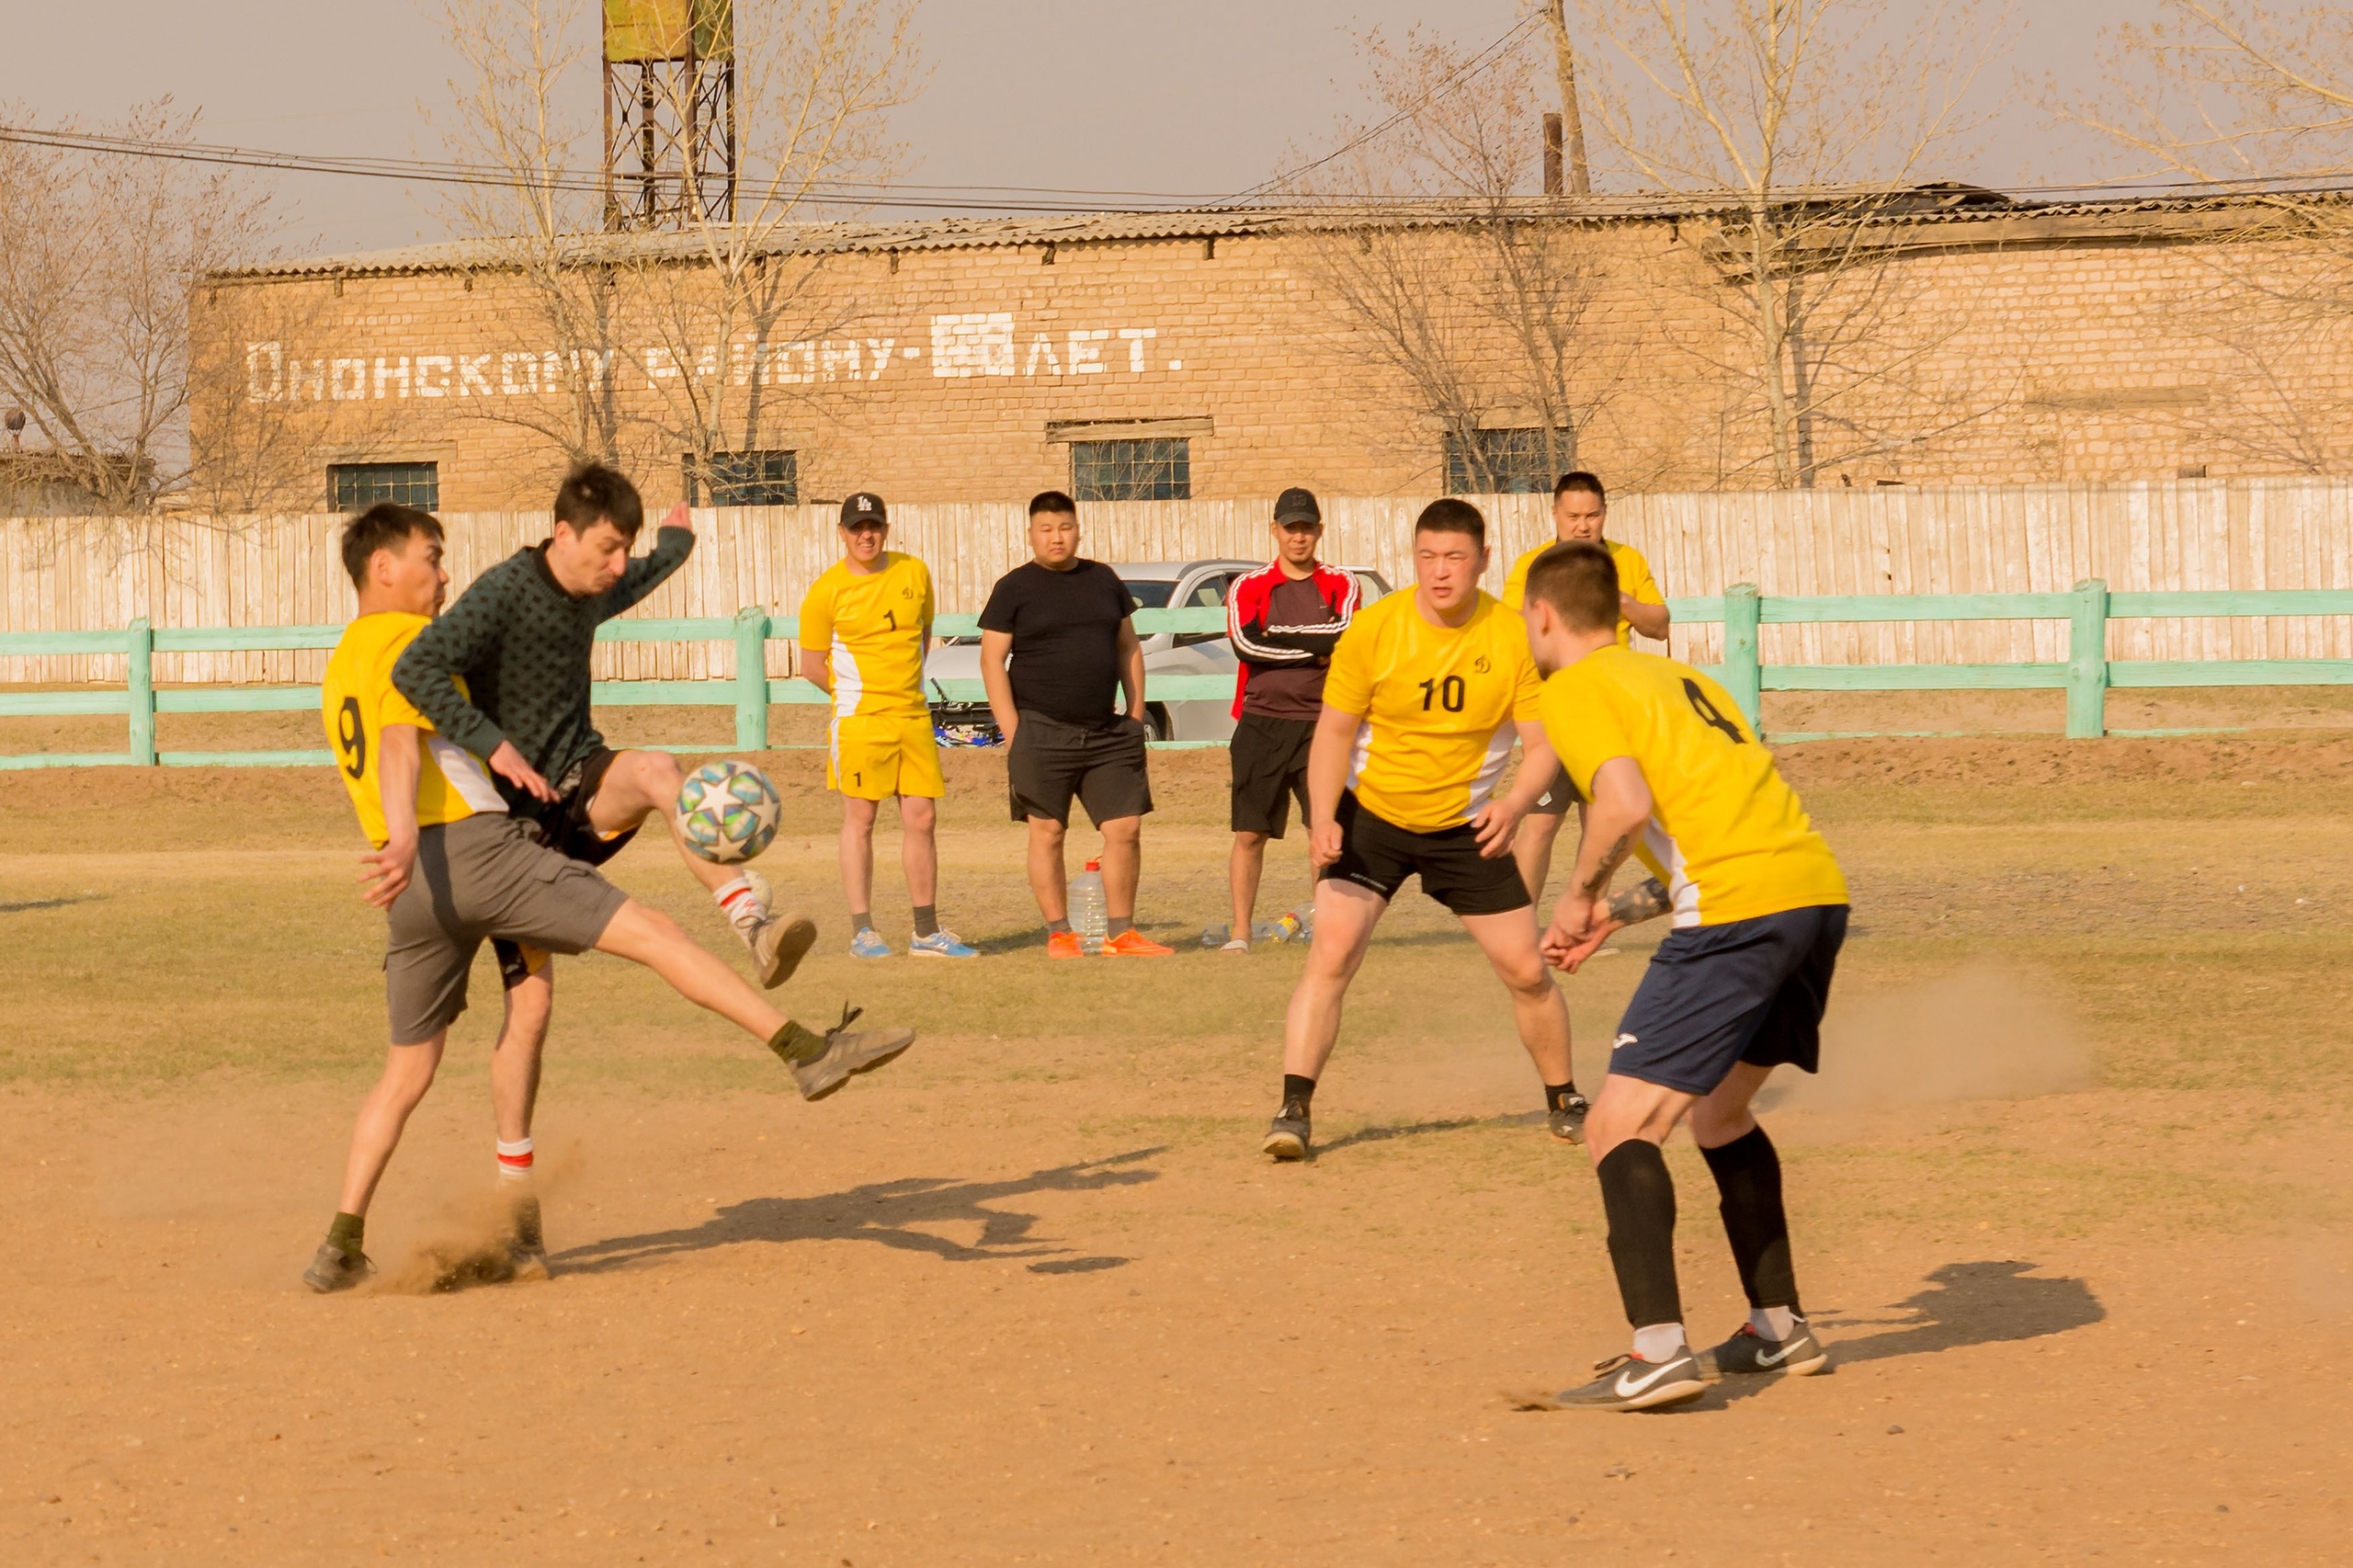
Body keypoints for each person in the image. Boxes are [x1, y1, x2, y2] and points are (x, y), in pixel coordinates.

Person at [305, 504, 915, 1294]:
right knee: (655, 932)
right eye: (432, 556)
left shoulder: (338, 661)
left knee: (416, 1069)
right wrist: (401, 827)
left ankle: (343, 1243)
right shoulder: (400, 640)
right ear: (382, 567)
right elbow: (399, 735)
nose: (444, 573)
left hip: (417, 890)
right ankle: (804, 1050)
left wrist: (396, 842)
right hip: (477, 851)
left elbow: (396, 734)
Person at [1518, 540, 1849, 1411]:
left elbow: (1623, 810)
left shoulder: (1577, 689)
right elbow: (1704, 833)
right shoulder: (1681, 681)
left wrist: (1574, 896)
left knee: (1617, 1126)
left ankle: (1658, 1351)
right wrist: (1613, 914)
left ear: (1543, 615)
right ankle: (1777, 1328)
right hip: (1811, 896)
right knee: (1720, 1112)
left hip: (1739, 911)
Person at [392, 462, 814, 988]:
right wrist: (492, 744)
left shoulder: (596, 585)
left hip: (584, 787)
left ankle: (753, 926)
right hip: (512, 829)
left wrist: (675, 542)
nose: (619, 566)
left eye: (625, 549)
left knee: (658, 769)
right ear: (564, 534)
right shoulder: (501, 593)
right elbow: (413, 669)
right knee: (530, 1011)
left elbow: (650, 568)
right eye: (609, 547)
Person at [1260, 498, 1585, 1163]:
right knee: (1332, 955)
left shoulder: (1513, 633)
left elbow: (1544, 743)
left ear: (1483, 561)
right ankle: (1293, 1109)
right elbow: (1333, 735)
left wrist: (1517, 802)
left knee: (1526, 971)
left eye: (1456, 558)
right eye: (1428, 557)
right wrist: (1323, 818)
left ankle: (1564, 1099)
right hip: (1371, 817)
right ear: (1415, 560)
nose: (1441, 573)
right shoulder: (1375, 629)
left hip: (1467, 827)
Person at [979, 492, 1174, 958]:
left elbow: (1128, 647)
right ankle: (1060, 934)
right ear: (1031, 535)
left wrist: (1134, 714)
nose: (1056, 537)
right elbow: (991, 661)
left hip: (1107, 733)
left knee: (1124, 829)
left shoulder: (1103, 580)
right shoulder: (1014, 588)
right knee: (1048, 832)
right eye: (1046, 529)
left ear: (1078, 529)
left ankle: (1122, 933)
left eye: (1064, 527)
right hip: (1040, 731)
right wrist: (1014, 732)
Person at [799, 492, 976, 960]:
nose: (866, 535)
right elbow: (811, 665)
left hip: (913, 718)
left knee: (923, 819)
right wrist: (856, 698)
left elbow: (921, 635)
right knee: (861, 820)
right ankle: (863, 931)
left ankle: (926, 931)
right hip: (860, 723)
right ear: (842, 534)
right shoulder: (826, 591)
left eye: (873, 525)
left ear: (886, 528)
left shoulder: (914, 572)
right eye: (857, 528)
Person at [1500, 472, 1670, 906]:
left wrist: (1623, 601)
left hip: (1612, 713)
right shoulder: (1534, 566)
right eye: (1573, 515)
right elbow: (1511, 630)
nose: (1582, 525)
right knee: (1540, 822)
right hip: (1554, 713)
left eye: (1592, 515)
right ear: (1555, 515)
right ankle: (1519, 923)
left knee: (1601, 823)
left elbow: (1660, 626)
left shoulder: (1626, 561)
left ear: (1604, 514)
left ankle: (1586, 919)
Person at [1220, 486, 1359, 954]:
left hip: (1325, 726)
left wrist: (1279, 637)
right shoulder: (1248, 586)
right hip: (1260, 721)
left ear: (1319, 530)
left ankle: (1327, 929)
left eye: (1307, 527)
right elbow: (1246, 645)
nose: (1298, 537)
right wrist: (1314, 648)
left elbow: (1346, 639)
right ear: (1275, 530)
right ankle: (1240, 933)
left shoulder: (1343, 583)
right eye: (1290, 527)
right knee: (1249, 834)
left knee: (1324, 831)